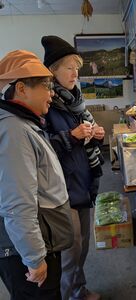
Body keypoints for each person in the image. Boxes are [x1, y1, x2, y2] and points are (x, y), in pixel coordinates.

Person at [0, 50, 73, 300]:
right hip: (27, 250)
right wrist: (34, 258)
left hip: (41, 239)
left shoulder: (24, 123)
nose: (52, 94)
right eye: (46, 86)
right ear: (21, 88)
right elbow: (17, 202)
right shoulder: (14, 130)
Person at [41, 35, 105, 300]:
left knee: (82, 248)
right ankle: (69, 294)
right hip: (63, 189)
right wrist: (72, 136)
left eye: (76, 66)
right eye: (68, 67)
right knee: (70, 251)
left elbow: (84, 138)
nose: (75, 72)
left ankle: (78, 290)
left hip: (84, 182)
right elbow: (41, 149)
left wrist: (95, 134)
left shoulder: (75, 101)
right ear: (52, 71)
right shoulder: (45, 104)